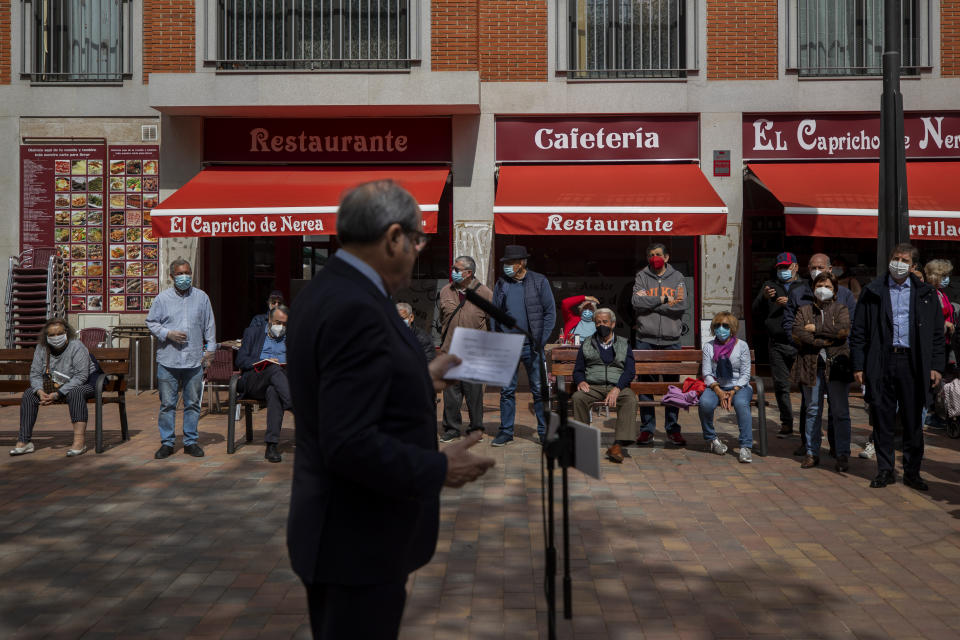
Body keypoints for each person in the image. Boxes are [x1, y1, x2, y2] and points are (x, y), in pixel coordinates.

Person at [286, 180, 495, 639]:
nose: (418, 252)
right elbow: (349, 441)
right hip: (355, 540)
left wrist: (420, 379)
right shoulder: (354, 306)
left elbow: (346, 390)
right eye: (418, 241)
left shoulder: (331, 291)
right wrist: (437, 467)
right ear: (394, 237)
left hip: (348, 536)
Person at [851, 243, 945, 490]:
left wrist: (936, 366)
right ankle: (885, 470)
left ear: (913, 266)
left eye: (904, 260)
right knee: (882, 418)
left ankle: (912, 472)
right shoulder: (873, 292)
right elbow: (858, 331)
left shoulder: (926, 294)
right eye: (895, 258)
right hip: (882, 361)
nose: (898, 263)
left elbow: (937, 334)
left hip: (913, 362)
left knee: (914, 420)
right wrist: (859, 365)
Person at [782, 253, 857, 457]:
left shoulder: (845, 298)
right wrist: (821, 339)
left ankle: (838, 449)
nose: (817, 271)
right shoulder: (799, 296)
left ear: (830, 269)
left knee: (838, 410)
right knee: (812, 408)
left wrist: (817, 330)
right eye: (813, 267)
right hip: (810, 360)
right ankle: (810, 449)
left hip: (838, 361)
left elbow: (847, 330)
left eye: (821, 267)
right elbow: (794, 329)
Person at [145, 259, 217, 459]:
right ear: (172, 276)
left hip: (194, 359)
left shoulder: (201, 298)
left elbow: (209, 326)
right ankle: (167, 442)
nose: (184, 277)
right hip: (169, 359)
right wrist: (168, 333)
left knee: (192, 403)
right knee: (167, 403)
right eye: (180, 274)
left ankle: (190, 441)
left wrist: (209, 353)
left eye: (187, 272)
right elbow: (151, 322)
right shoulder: (162, 299)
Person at [491, 244, 556, 446]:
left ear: (521, 263)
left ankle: (545, 432)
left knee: (538, 390)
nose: (507, 267)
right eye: (505, 263)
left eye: (510, 263)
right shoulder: (502, 284)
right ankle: (506, 431)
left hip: (532, 346)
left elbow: (550, 314)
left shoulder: (539, 281)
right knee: (507, 391)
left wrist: (541, 340)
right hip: (508, 345)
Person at [10, 318, 98, 457]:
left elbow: (81, 376)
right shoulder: (42, 348)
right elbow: (35, 373)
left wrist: (59, 394)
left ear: (66, 333)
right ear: (46, 337)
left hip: (86, 383)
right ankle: (24, 441)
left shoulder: (76, 346)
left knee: (75, 393)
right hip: (56, 383)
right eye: (51, 335)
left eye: (59, 333)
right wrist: (39, 391)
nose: (56, 337)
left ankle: (79, 442)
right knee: (29, 394)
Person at [631, 242, 688, 446]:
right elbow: (636, 303)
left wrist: (653, 303)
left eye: (658, 254)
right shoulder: (641, 276)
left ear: (666, 257)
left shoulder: (678, 277)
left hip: (672, 341)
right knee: (646, 385)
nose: (654, 258)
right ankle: (647, 429)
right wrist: (665, 298)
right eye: (651, 255)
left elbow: (681, 306)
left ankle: (673, 429)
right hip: (645, 340)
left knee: (673, 387)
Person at [570, 308, 638, 463]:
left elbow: (629, 370)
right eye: (598, 322)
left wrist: (618, 388)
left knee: (630, 399)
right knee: (578, 397)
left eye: (605, 322)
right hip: (593, 386)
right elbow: (578, 369)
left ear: (612, 324)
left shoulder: (623, 343)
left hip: (617, 386)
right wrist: (580, 381)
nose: (602, 325)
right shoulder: (587, 343)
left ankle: (617, 446)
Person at [438, 255, 492, 443]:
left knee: (474, 396)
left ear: (468, 273)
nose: (452, 272)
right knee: (451, 396)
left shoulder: (485, 293)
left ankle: (475, 428)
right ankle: (452, 428)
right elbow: (441, 320)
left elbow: (492, 325)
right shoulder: (445, 291)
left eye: (456, 269)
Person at [751, 251, 800, 439]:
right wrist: (764, 297)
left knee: (806, 385)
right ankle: (786, 422)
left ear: (795, 266)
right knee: (781, 385)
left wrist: (791, 303)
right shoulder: (769, 286)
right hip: (777, 343)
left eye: (786, 267)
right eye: (779, 268)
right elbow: (755, 310)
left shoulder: (804, 286)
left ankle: (807, 426)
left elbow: (811, 309)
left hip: (799, 343)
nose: (783, 271)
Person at [236, 305, 292, 463]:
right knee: (273, 368)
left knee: (274, 391)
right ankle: (294, 405)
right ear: (269, 320)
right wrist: (261, 362)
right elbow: (240, 360)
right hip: (255, 380)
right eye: (277, 322)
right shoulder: (253, 333)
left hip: (278, 384)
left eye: (284, 324)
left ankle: (272, 445)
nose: (280, 327)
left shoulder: (291, 338)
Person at [698, 312, 754, 463]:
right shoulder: (708, 347)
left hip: (739, 386)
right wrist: (719, 391)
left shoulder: (742, 346)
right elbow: (707, 373)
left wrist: (733, 391)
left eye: (725, 325)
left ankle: (745, 446)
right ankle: (712, 439)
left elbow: (745, 374)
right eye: (717, 325)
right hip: (716, 386)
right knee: (705, 403)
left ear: (732, 328)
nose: (721, 329)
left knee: (742, 404)